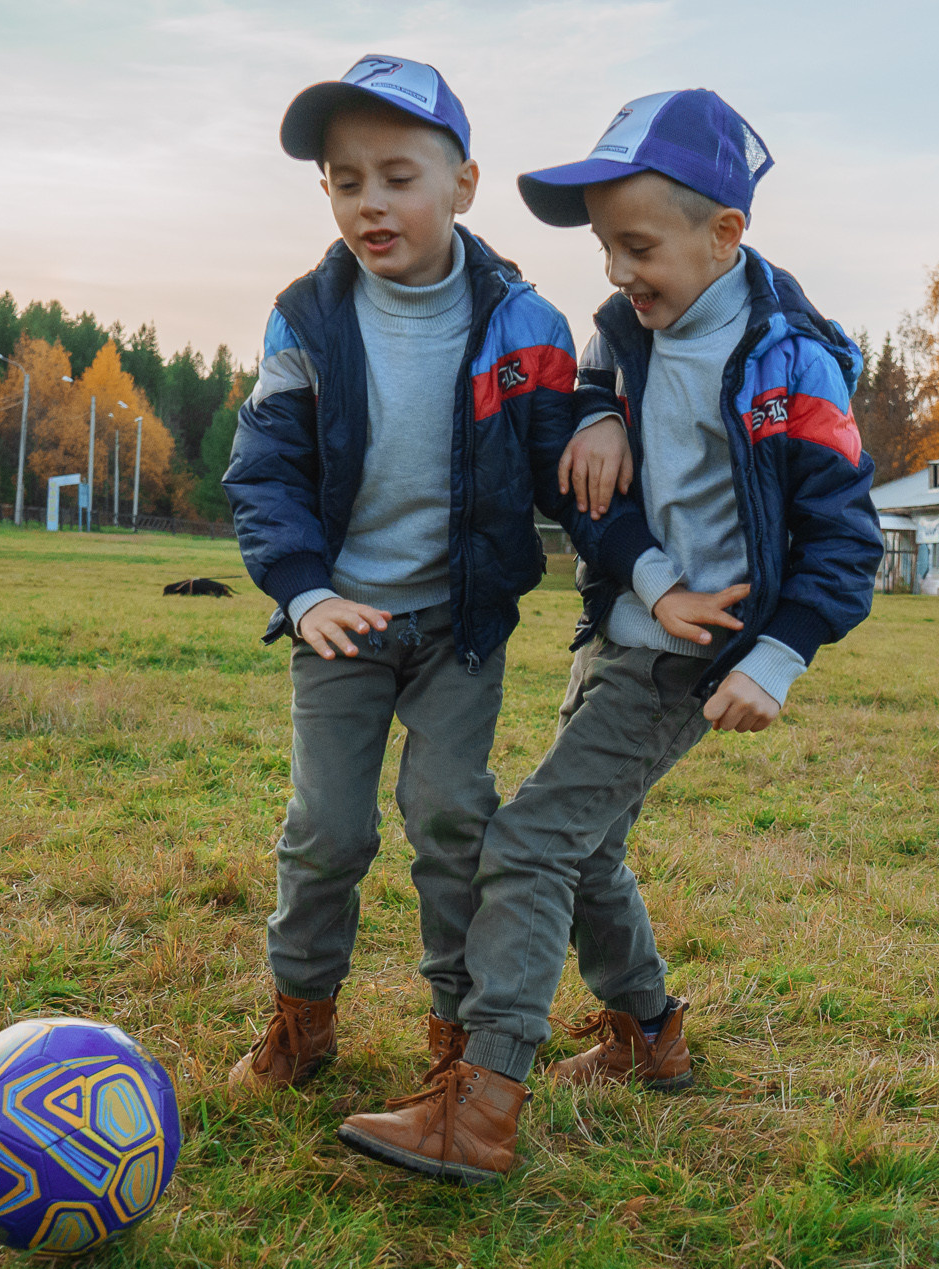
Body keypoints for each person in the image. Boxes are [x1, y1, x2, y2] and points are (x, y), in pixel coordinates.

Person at [337, 88, 884, 1185]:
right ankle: (650, 1035)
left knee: (531, 842)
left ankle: (482, 1102)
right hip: (620, 625)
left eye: (638, 247)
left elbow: (847, 542)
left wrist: (772, 656)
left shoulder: (791, 368)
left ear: (725, 235)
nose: (620, 275)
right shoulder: (619, 337)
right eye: (604, 251)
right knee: (587, 851)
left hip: (691, 658)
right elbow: (592, 487)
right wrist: (596, 428)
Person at [222, 55, 644, 1101]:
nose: (371, 201)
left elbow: (566, 439)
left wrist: (594, 412)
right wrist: (303, 590)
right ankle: (301, 1017)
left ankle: (456, 1029)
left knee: (453, 816)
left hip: (458, 624)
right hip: (341, 622)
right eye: (345, 178)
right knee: (329, 830)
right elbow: (265, 469)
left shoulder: (526, 326)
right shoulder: (305, 320)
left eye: (399, 175)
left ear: (462, 185)